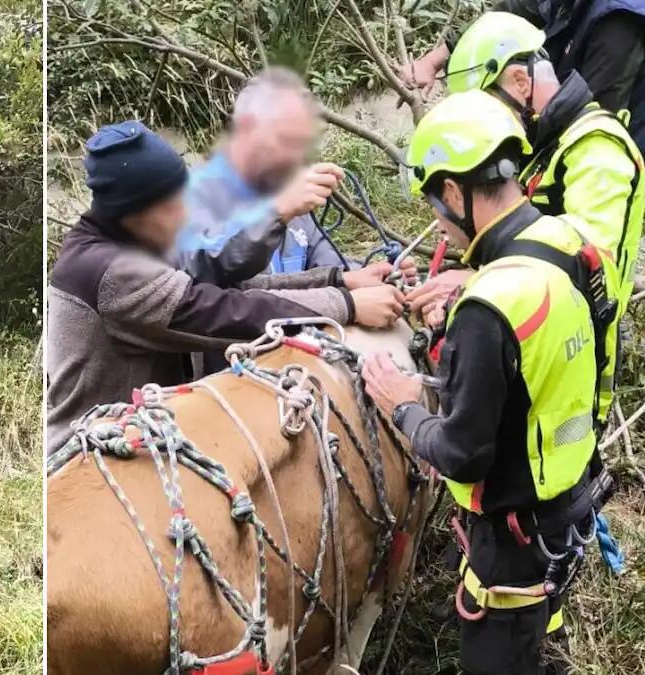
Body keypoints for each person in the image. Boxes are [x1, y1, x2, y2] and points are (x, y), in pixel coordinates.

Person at [362, 90, 613, 675]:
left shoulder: (488, 307)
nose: (438, 225)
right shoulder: (567, 241)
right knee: (533, 645)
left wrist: (404, 407)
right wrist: (466, 307)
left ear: (453, 191)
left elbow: (462, 455)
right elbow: (556, 349)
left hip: (514, 537)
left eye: (434, 205)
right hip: (569, 493)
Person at [46, 120, 405, 454]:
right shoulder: (111, 271)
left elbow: (231, 283)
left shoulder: (130, 242)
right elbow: (224, 312)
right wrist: (347, 305)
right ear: (137, 210)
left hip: (137, 435)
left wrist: (338, 280)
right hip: (89, 453)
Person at [408, 11, 644, 424]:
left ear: (520, 81)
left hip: (571, 382)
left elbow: (589, 263)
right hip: (532, 359)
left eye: (491, 107)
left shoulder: (598, 149)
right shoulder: (544, 149)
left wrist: (477, 282)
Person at [175, 68, 418, 373]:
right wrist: (279, 213)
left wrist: (371, 276)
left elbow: (324, 266)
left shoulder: (292, 199)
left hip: (299, 367)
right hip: (233, 373)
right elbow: (215, 266)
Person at [400, 0, 645, 149]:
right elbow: (506, 14)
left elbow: (596, 122)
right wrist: (433, 61)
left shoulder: (618, 21)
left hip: (617, 153)